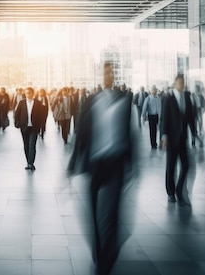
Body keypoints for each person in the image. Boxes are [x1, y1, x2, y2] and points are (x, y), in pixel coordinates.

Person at [67, 62, 132, 275]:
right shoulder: (90, 101)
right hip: (95, 163)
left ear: (115, 76)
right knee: (94, 213)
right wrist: (73, 162)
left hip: (116, 162)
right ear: (100, 76)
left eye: (111, 72)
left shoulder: (124, 99)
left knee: (111, 214)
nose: (108, 76)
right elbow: (82, 132)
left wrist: (133, 163)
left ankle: (108, 255)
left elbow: (129, 132)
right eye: (104, 72)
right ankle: (99, 250)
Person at [160, 74, 197, 206]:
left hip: (182, 138)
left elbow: (190, 116)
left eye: (183, 83)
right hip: (170, 138)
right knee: (171, 166)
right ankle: (170, 193)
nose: (182, 85)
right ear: (175, 84)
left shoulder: (186, 97)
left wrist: (194, 132)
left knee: (186, 165)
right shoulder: (168, 99)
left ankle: (179, 189)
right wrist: (164, 136)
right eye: (179, 83)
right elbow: (164, 118)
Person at [14, 87, 46, 171]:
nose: (29, 94)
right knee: (26, 145)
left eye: (30, 93)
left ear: (33, 93)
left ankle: (31, 163)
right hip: (24, 127)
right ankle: (28, 161)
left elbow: (42, 116)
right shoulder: (21, 103)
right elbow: (17, 114)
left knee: (32, 145)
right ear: (25, 94)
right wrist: (17, 124)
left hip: (34, 128)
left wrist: (41, 126)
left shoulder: (38, 103)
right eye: (27, 93)